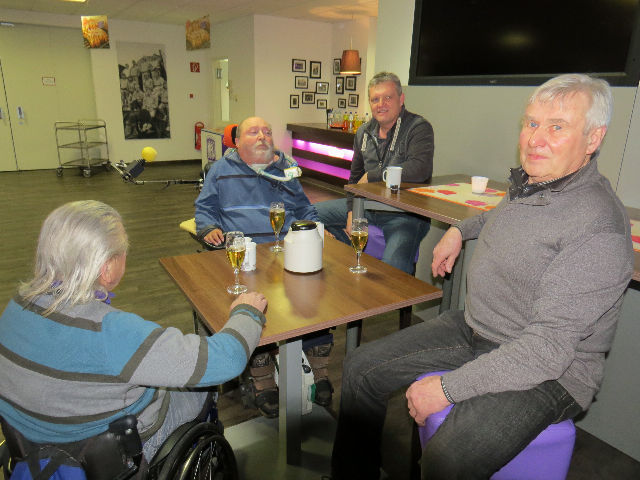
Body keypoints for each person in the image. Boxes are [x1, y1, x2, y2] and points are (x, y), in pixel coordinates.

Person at [330, 73, 634, 479]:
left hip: (551, 371)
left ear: (593, 138)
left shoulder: (598, 227)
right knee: (360, 369)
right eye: (532, 123)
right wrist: (460, 230)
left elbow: (546, 350)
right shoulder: (535, 182)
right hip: (478, 329)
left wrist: (447, 389)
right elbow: (500, 216)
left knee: (448, 457)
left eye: (557, 127)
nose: (535, 139)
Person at [0, 200, 268, 464]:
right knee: (203, 385)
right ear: (107, 268)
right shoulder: (111, 332)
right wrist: (247, 312)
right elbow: (226, 360)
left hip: (32, 446)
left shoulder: (16, 306)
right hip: (111, 452)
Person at [195, 116, 335, 416]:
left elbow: (304, 208)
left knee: (316, 301)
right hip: (245, 255)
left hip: (286, 251)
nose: (262, 136)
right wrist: (208, 228)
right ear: (237, 141)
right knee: (253, 307)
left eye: (267, 132)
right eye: (253, 131)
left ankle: (319, 369)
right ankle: (262, 379)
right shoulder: (220, 170)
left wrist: (318, 231)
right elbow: (204, 208)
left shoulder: (285, 170)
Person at [315, 71, 434, 274]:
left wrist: (373, 175)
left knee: (393, 266)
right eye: (375, 99)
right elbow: (354, 179)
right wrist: (352, 211)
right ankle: (348, 258)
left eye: (388, 97)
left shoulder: (418, 128)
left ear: (401, 99)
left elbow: (419, 169)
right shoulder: (364, 132)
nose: (381, 104)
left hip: (404, 215)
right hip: (366, 207)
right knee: (308, 215)